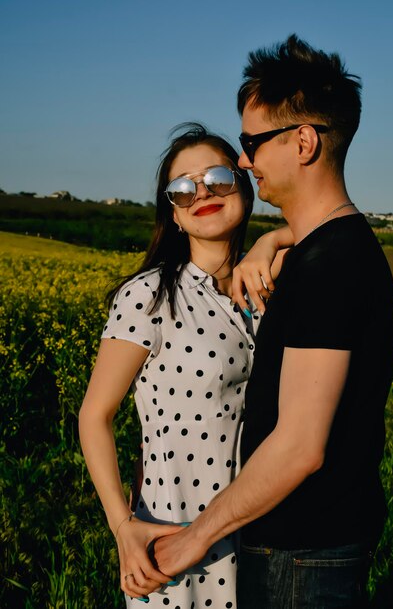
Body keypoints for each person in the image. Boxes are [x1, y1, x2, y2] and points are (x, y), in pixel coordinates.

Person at [152, 35, 393, 608]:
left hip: (302, 553)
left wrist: (196, 538)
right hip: (310, 545)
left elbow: (299, 447)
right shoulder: (331, 250)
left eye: (252, 142)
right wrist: (272, 238)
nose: (244, 161)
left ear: (305, 141)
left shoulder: (330, 269)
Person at [79, 123, 291, 608]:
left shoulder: (269, 289)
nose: (201, 193)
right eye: (181, 189)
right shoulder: (150, 295)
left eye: (217, 177)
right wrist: (122, 526)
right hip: (173, 531)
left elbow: (333, 228)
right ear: (172, 215)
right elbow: (94, 416)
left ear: (243, 187)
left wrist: (269, 241)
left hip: (262, 532)